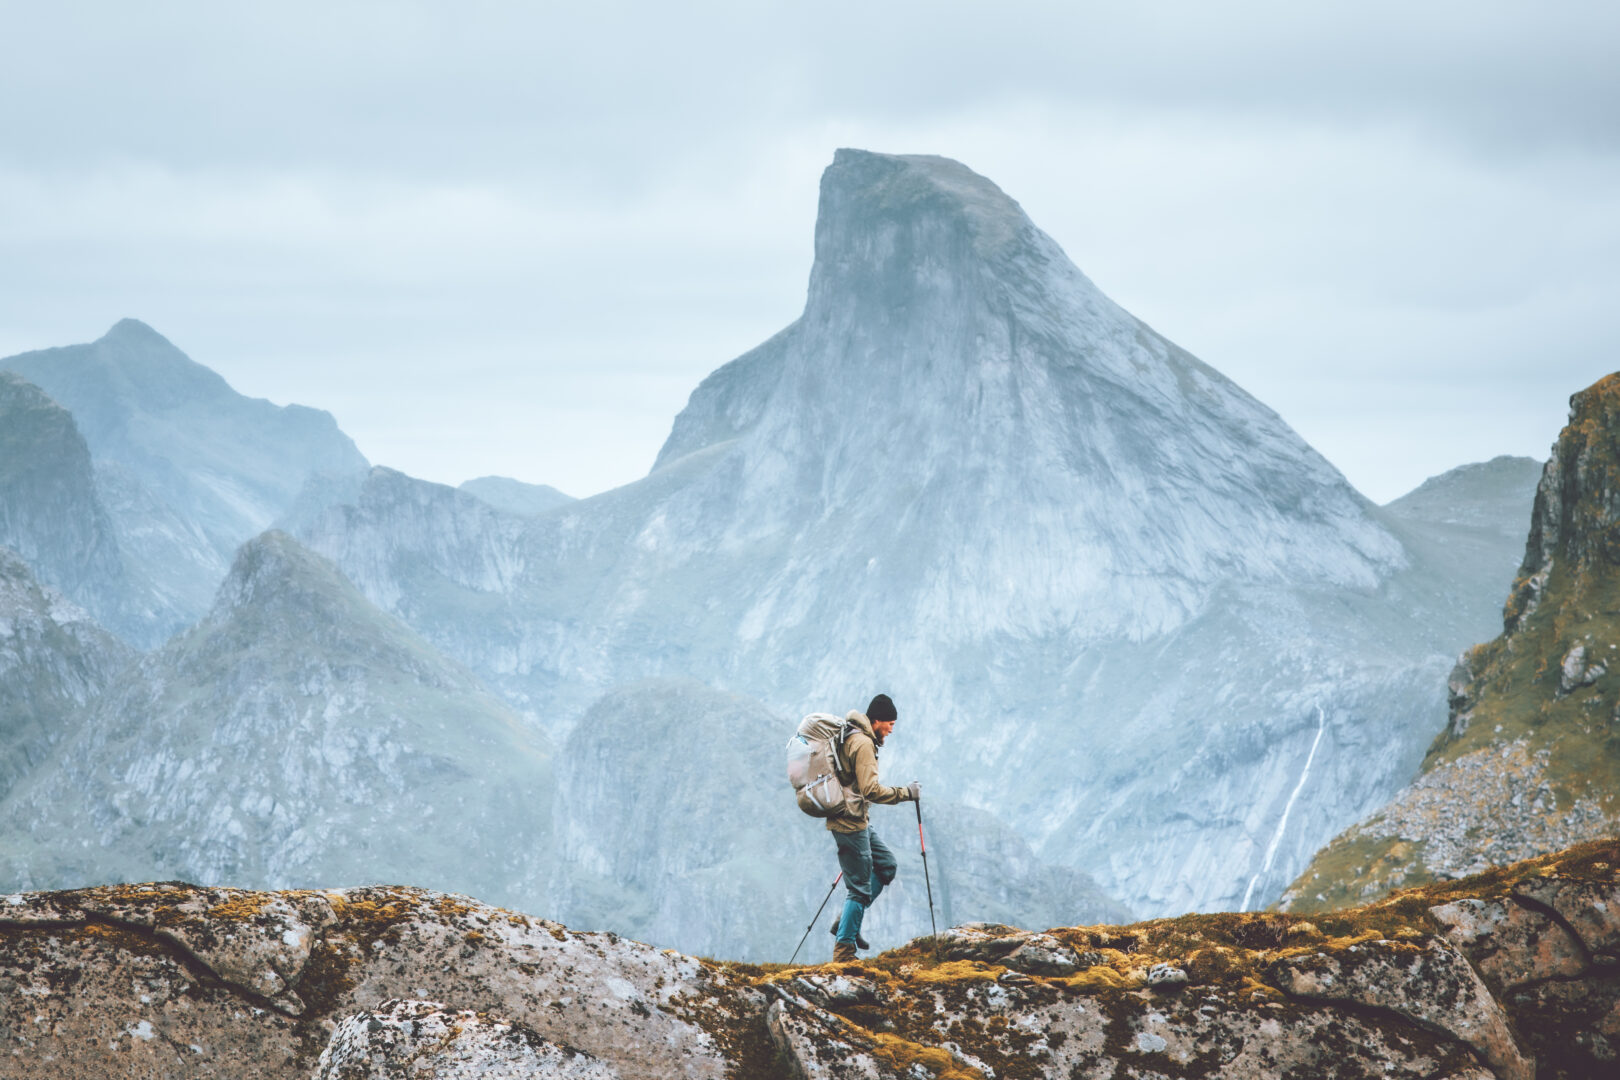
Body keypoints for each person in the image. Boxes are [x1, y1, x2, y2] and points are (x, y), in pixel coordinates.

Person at [827, 693, 919, 962]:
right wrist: (906, 793)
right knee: (859, 888)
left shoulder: (855, 735)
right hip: (850, 823)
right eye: (889, 723)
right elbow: (870, 789)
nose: (891, 729)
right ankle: (844, 951)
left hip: (857, 820)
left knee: (887, 865)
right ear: (876, 720)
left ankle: (846, 921)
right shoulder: (863, 743)